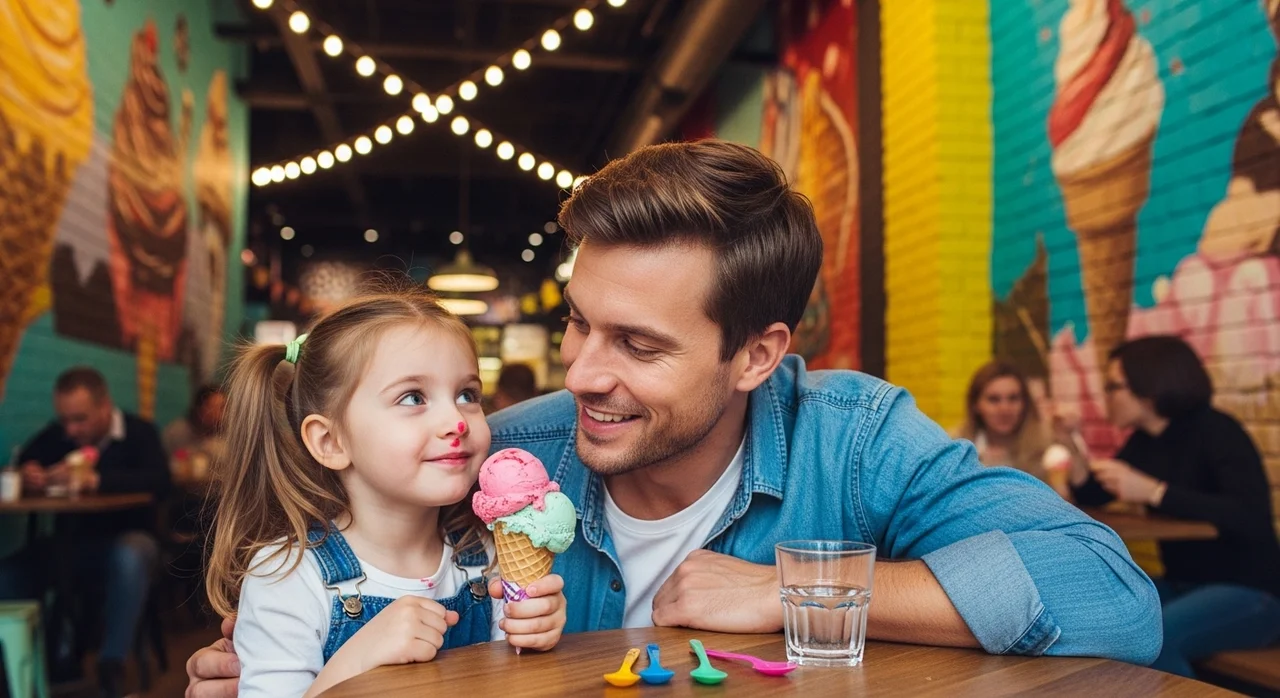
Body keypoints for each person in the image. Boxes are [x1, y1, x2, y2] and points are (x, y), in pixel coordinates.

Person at [186, 140, 1161, 698]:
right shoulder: (505, 451)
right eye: (576, 322)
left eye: (637, 344)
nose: (581, 370)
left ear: (755, 354)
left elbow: (1112, 596)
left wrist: (791, 588)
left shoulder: (852, 436)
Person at [205, 290, 567, 698]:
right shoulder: (287, 577)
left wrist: (534, 635)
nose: (456, 421)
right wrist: (355, 663)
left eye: (467, 395)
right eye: (412, 398)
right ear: (330, 441)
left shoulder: (483, 556)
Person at [1069, 336, 1280, 677]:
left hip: (1252, 592)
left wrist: (1154, 492)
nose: (1105, 397)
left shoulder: (1218, 431)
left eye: (1113, 386)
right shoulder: (1144, 441)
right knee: (1101, 614)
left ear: (1149, 386)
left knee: (1154, 639)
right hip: (1183, 583)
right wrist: (1069, 440)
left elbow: (1248, 516)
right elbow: (1092, 495)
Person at [15, 367, 170, 696]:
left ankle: (111, 665)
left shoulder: (138, 433)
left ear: (105, 406)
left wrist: (98, 480)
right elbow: (28, 458)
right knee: (11, 572)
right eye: (65, 419)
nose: (71, 430)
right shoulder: (59, 434)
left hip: (130, 541)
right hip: (70, 545)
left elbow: (161, 481)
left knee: (129, 554)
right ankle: (28, 667)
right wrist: (28, 472)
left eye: (80, 419)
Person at [953, 361, 1080, 495]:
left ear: (1025, 403)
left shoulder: (1047, 440)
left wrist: (1067, 439)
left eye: (1013, 398)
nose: (1005, 409)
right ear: (976, 405)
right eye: (994, 399)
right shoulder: (958, 448)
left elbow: (1081, 489)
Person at [163, 384, 228, 463]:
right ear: (201, 408)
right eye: (220, 407)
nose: (224, 413)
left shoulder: (227, 436)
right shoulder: (176, 433)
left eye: (225, 408)